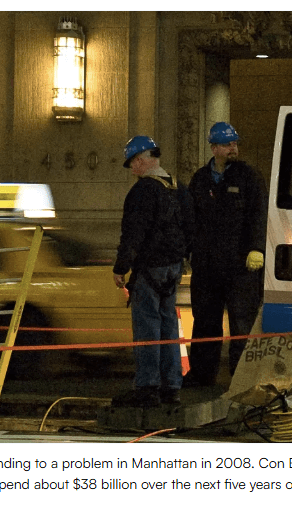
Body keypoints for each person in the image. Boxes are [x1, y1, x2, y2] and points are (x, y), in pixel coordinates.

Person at [112, 136, 194, 407]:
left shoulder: (143, 191)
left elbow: (133, 234)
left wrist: (120, 267)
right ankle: (171, 387)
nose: (132, 168)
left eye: (132, 162)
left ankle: (147, 388)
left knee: (147, 327)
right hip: (173, 269)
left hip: (149, 269)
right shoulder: (178, 188)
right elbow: (190, 227)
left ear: (141, 159)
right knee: (169, 325)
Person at [186, 122, 268, 385]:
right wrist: (190, 252)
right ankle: (201, 375)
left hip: (241, 267)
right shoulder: (200, 180)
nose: (233, 148)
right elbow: (191, 219)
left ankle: (241, 378)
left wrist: (257, 248)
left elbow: (259, 215)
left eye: (234, 143)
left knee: (241, 324)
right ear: (214, 148)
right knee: (205, 323)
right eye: (227, 144)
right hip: (208, 267)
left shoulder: (248, 177)